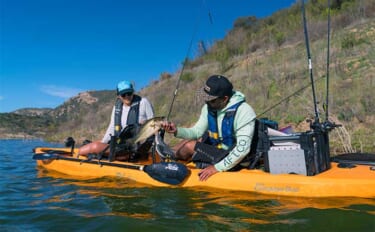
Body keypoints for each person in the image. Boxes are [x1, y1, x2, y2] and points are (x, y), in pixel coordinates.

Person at [161, 75, 257, 181]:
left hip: (233, 155)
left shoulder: (244, 111)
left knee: (189, 146)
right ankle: (167, 154)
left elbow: (242, 149)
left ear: (224, 99)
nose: (207, 102)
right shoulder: (209, 108)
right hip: (217, 148)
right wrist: (176, 130)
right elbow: (196, 132)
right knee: (189, 140)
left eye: (211, 100)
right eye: (206, 98)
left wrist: (217, 167)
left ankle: (170, 159)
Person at [78, 80, 155, 160]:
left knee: (90, 148)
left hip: (134, 148)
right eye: (123, 94)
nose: (127, 96)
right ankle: (118, 156)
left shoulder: (143, 102)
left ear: (133, 92)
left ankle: (124, 156)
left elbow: (153, 124)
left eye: (129, 93)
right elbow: (112, 127)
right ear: (118, 96)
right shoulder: (117, 107)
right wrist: (103, 142)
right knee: (96, 144)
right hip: (120, 145)